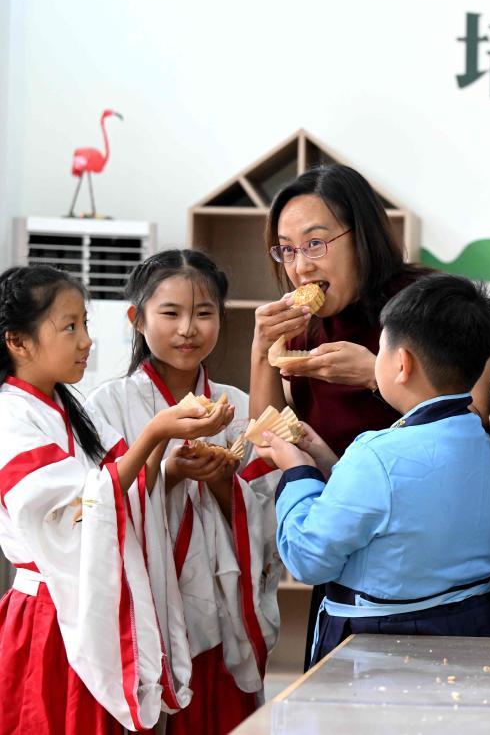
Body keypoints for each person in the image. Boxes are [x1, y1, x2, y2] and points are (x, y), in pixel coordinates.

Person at [249, 164, 490, 667]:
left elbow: (477, 420)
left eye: (315, 243)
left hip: (426, 559)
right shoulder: (302, 324)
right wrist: (260, 351)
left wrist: (372, 378)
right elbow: (270, 432)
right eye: (287, 249)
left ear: (359, 235)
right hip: (342, 549)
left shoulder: (425, 306)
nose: (299, 266)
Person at [0, 265, 230, 733]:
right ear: (18, 341)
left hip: (93, 603)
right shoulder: (11, 416)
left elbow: (127, 490)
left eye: (84, 323)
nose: (86, 340)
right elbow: (79, 510)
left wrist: (164, 449)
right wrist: (156, 432)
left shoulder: (70, 408)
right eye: (70, 327)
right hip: (53, 610)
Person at [85, 250, 281, 733]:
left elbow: (269, 515)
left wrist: (221, 484)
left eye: (204, 313)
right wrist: (168, 473)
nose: (188, 329)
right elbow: (95, 512)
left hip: (218, 615)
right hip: (145, 620)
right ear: (137, 318)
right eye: (170, 313)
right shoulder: (106, 405)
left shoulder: (236, 404)